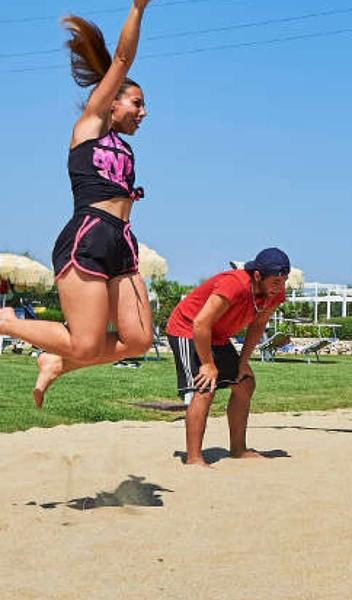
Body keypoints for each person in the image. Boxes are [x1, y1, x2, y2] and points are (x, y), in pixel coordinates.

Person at [0, 1, 152, 408]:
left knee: (138, 339)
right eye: (136, 103)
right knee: (85, 343)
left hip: (121, 239)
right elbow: (121, 58)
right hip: (89, 234)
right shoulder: (88, 126)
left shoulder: (121, 145)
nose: (143, 112)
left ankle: (57, 363)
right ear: (112, 102)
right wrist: (138, 9)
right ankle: (8, 322)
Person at [166, 248, 289, 467]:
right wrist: (207, 364)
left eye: (284, 280)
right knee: (205, 387)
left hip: (217, 335)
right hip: (186, 327)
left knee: (245, 383)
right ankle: (194, 458)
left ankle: (238, 450)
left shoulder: (275, 293)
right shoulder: (234, 284)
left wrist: (243, 362)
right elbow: (200, 323)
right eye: (276, 281)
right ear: (258, 275)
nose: (280, 286)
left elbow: (258, 325)